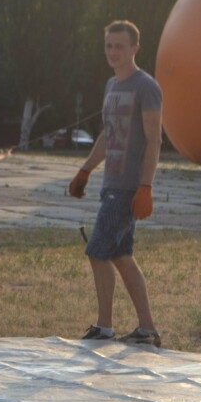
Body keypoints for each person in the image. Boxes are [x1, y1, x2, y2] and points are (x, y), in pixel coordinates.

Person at [68, 19, 164, 346]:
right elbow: (108, 137)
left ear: (135, 48)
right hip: (110, 184)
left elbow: (154, 140)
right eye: (109, 46)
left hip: (128, 188)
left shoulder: (145, 86)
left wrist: (145, 186)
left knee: (97, 251)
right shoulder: (112, 87)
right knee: (120, 255)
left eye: (120, 46)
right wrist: (85, 171)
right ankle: (147, 329)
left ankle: (105, 326)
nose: (113, 52)